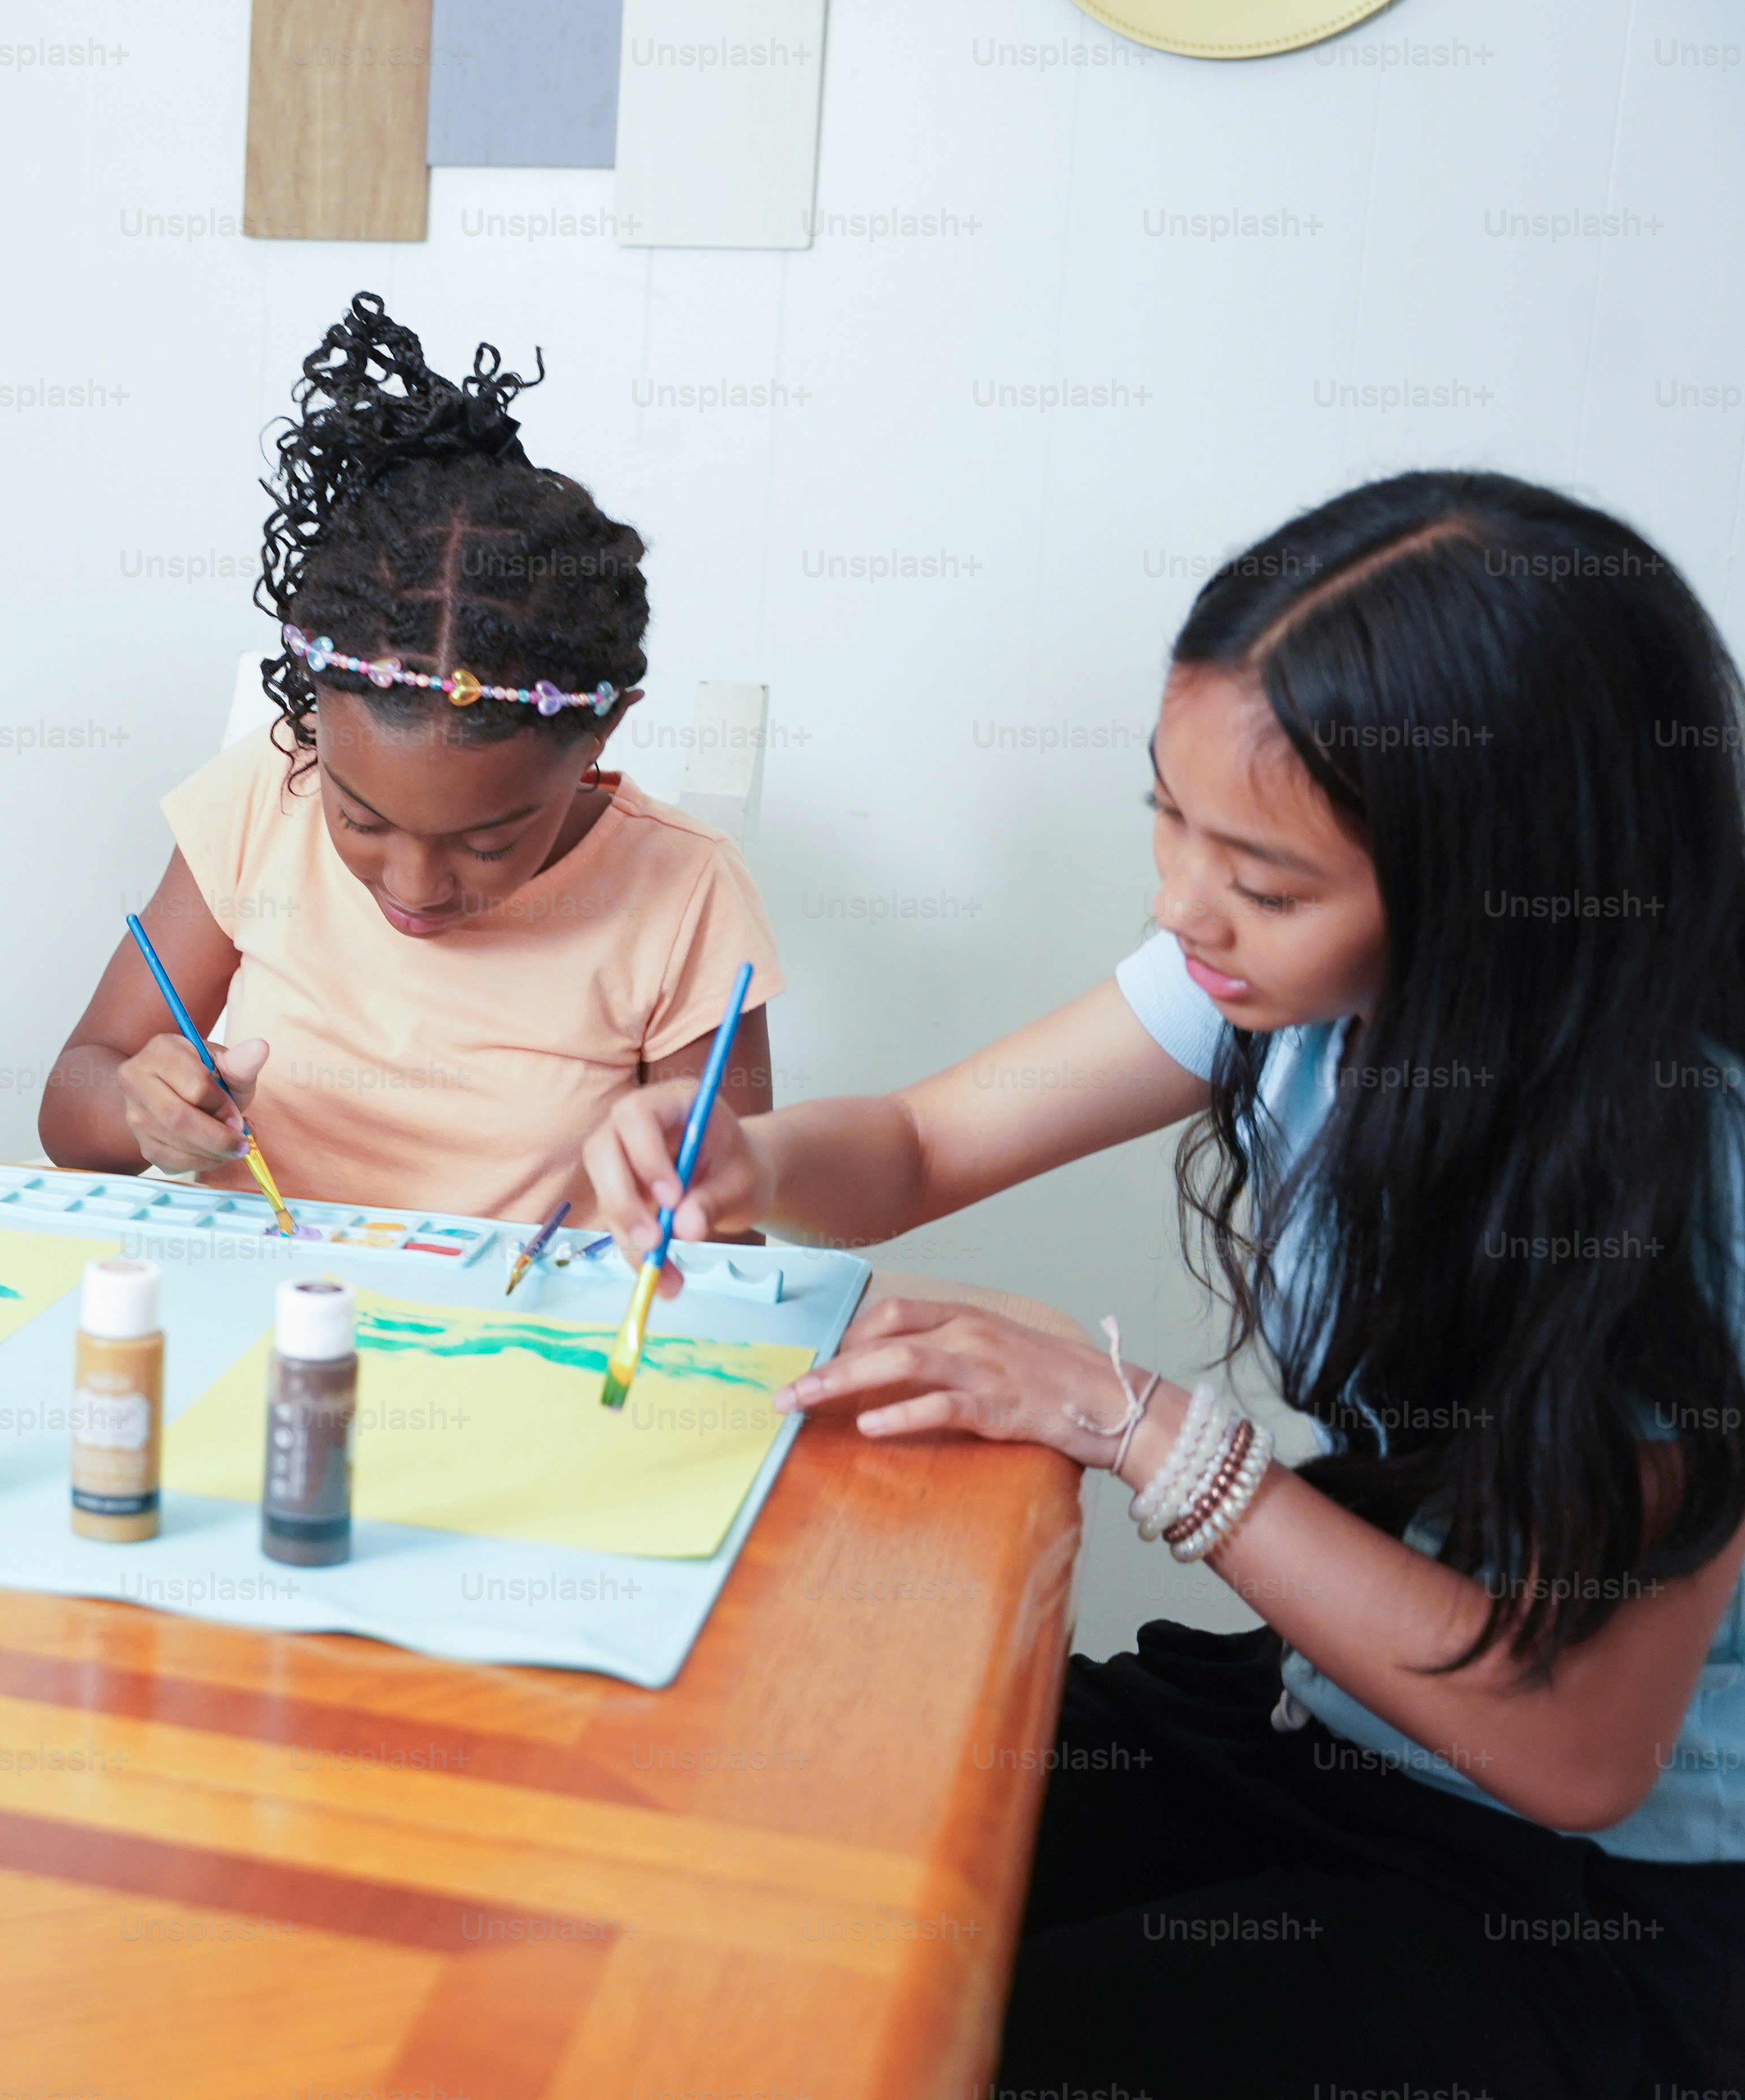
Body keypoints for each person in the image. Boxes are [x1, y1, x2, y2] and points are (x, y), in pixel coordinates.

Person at [589, 471, 1745, 2093]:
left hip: (1573, 1904)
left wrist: (1134, 1428)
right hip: (1327, 1724)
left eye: (1265, 879)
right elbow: (922, 1145)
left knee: (921, 2046)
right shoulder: (1268, 978)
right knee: (774, 1847)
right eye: (1167, 813)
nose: (1179, 903)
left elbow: (1575, 1750)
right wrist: (749, 1161)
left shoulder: (1679, 1184)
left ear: (1498, 897)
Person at [41, 293, 780, 1222]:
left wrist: (686, 1222)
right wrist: (138, 1111)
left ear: (600, 734)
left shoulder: (682, 894)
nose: (415, 882)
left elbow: (730, 1234)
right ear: (316, 718)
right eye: (358, 818)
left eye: (484, 845)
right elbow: (71, 1108)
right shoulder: (265, 795)